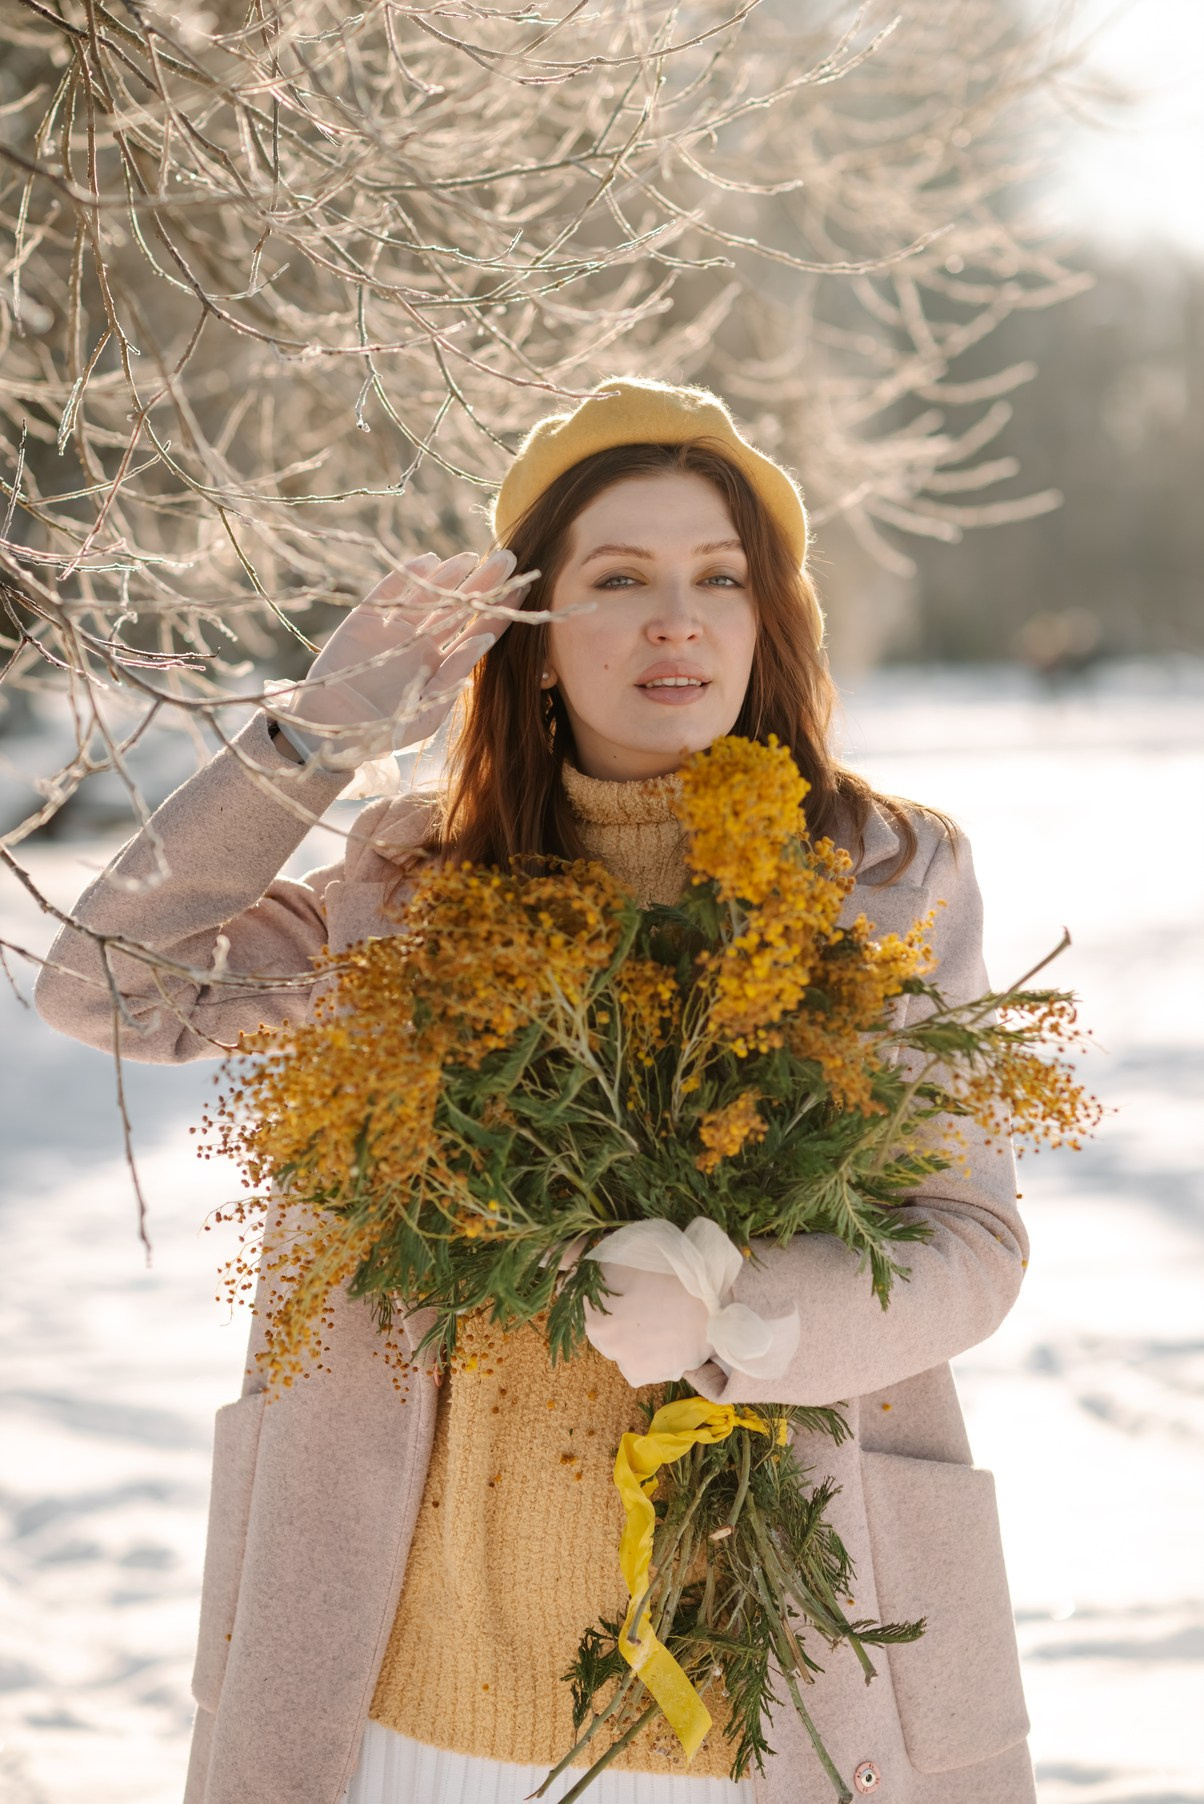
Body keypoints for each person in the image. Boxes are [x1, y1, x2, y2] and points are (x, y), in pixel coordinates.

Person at [34, 378, 1036, 1804]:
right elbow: (105, 983)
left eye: (720, 579)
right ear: (540, 641)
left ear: (768, 625)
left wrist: (740, 1319)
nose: (675, 618)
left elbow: (973, 1245)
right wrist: (314, 737)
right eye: (618, 578)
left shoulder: (880, 883)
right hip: (403, 1698)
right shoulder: (410, 886)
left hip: (769, 1703)